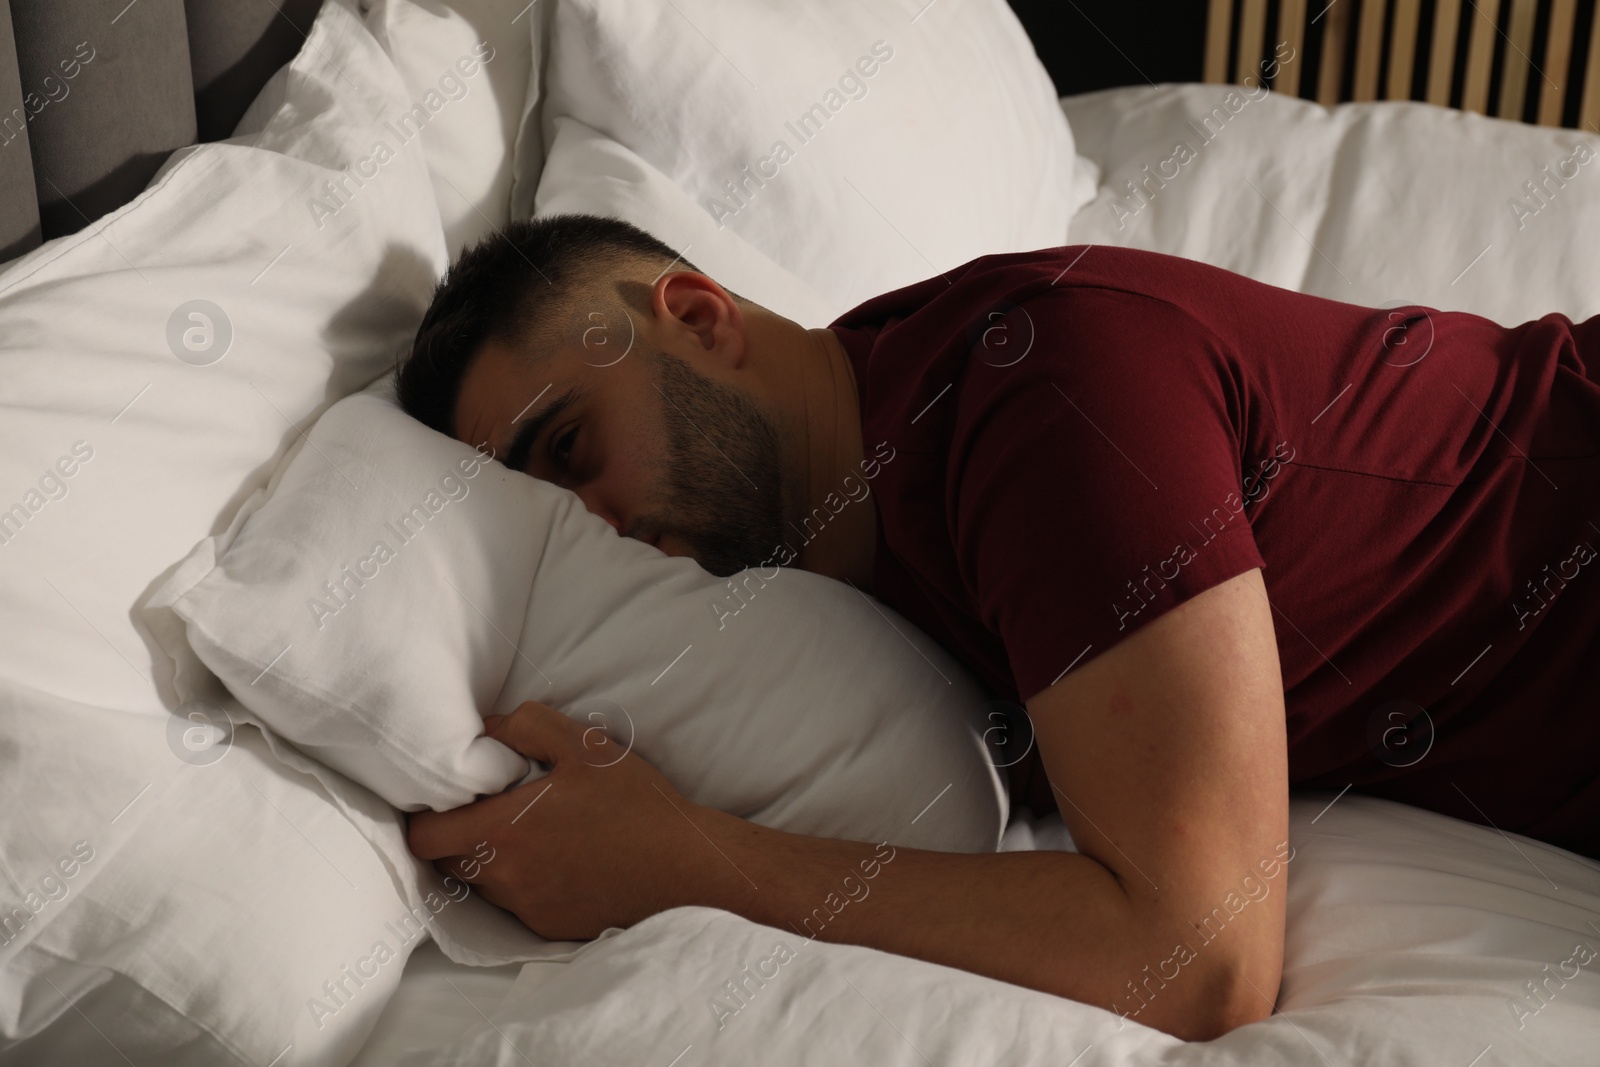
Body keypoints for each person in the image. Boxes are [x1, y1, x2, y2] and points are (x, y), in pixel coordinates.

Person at [397, 213, 1600, 1041]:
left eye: (572, 447)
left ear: (701, 317)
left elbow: (1199, 959)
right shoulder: (851, 501)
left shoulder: (1040, 395)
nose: (594, 528)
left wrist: (680, 864)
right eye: (545, 517)